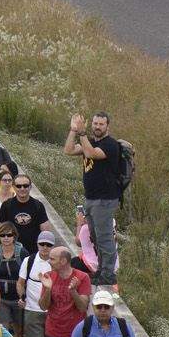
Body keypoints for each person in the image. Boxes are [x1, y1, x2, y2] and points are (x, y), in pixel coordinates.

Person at [62, 112, 123, 287]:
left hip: (105, 199)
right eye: (95, 123)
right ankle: (101, 271)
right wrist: (73, 130)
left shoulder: (110, 144)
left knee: (104, 238)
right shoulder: (89, 141)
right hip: (90, 198)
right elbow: (68, 150)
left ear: (107, 126)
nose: (97, 127)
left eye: (101, 124)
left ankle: (108, 274)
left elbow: (91, 154)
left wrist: (82, 134)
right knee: (96, 237)